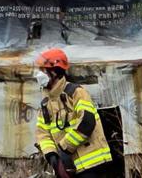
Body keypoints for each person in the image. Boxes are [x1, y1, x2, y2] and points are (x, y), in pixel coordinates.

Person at [34, 48, 115, 178]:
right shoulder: (45, 104)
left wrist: (64, 147)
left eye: (43, 70)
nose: (39, 75)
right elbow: (42, 134)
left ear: (55, 72)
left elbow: (87, 122)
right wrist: (52, 156)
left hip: (93, 165)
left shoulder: (76, 93)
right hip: (69, 169)